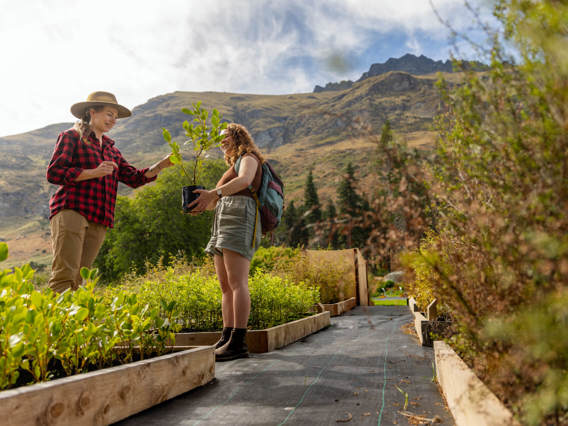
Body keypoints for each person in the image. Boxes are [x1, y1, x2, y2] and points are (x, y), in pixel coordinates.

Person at [46, 91, 173, 293]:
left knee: (80, 278)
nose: (113, 120)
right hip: (72, 210)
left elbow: (133, 177)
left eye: (115, 116)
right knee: (65, 274)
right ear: (91, 112)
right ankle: (55, 324)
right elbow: (54, 172)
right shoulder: (71, 136)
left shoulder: (112, 150)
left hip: (100, 217)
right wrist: (93, 173)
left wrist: (159, 166)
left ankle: (72, 324)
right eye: (109, 114)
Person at [188, 123, 264, 361]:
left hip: (240, 216)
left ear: (237, 136)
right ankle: (227, 336)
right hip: (224, 219)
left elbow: (245, 181)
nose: (221, 142)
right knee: (225, 285)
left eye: (225, 137)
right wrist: (202, 204)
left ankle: (239, 342)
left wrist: (214, 193)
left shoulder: (248, 157)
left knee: (237, 281)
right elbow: (217, 199)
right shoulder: (232, 165)